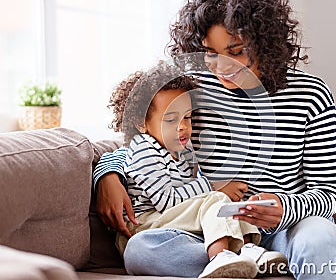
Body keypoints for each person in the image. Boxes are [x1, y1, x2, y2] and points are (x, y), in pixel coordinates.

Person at [93, 0, 336, 279]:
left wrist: (284, 207)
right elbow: (141, 137)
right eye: (210, 54)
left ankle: (255, 261)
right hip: (211, 232)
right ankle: (239, 261)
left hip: (286, 229)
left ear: (265, 43)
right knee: (140, 250)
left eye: (236, 52)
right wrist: (108, 175)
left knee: (319, 239)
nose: (221, 67)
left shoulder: (311, 95)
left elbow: (325, 195)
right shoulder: (196, 86)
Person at [108, 61, 286, 278]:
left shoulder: (182, 150)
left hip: (176, 225)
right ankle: (221, 257)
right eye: (171, 119)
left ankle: (247, 252)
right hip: (146, 225)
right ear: (141, 123)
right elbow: (167, 201)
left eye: (187, 117)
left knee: (223, 206)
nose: (183, 126)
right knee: (215, 200)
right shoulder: (143, 148)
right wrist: (213, 187)